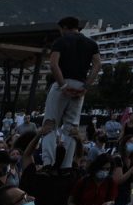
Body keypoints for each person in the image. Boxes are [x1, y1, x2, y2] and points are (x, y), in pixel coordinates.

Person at [41, 16, 101, 170]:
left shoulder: (61, 41)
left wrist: (62, 85)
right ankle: (66, 165)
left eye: (60, 30)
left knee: (50, 123)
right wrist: (86, 86)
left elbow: (54, 64)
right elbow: (97, 65)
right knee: (72, 126)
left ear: (65, 27)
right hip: (80, 86)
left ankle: (48, 162)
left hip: (63, 83)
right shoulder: (91, 44)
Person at [109, 134, 133, 205]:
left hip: (126, 196)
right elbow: (119, 180)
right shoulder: (118, 158)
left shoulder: (131, 160)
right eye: (130, 141)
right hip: (116, 196)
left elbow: (132, 180)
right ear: (124, 144)